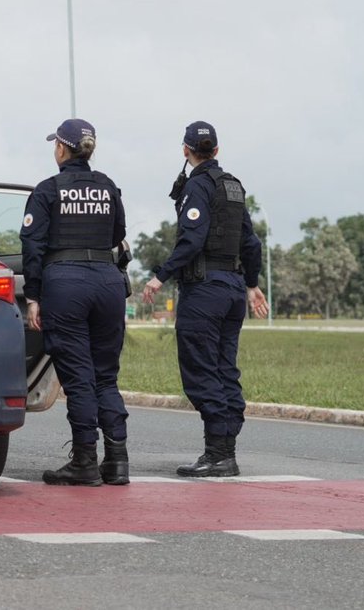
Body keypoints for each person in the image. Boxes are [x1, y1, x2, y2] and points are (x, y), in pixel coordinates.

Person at [141, 121, 269, 477]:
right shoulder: (233, 186)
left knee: (200, 369)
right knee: (225, 368)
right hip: (232, 289)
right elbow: (251, 242)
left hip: (205, 290)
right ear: (217, 149)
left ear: (186, 150)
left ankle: (218, 452)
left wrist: (160, 275)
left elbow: (192, 239)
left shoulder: (197, 186)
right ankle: (225, 450)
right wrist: (252, 283)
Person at [20, 118, 130, 486]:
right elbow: (118, 235)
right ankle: (117, 461)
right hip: (107, 281)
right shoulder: (108, 187)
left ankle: (84, 460)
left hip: (66, 283)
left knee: (79, 378)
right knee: (105, 376)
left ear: (62, 149)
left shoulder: (48, 190)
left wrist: (33, 297)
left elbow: (32, 247)